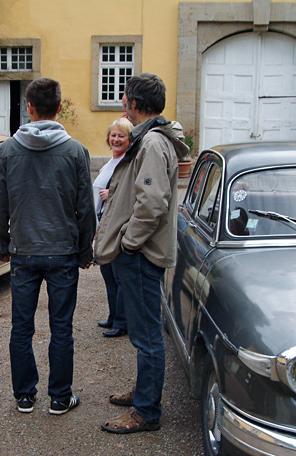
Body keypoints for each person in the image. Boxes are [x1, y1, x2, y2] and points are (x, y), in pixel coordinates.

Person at [0, 78, 96, 416]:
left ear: (28, 107)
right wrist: (85, 250)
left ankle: (25, 396)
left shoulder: (8, 150)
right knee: (61, 327)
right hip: (62, 251)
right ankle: (60, 397)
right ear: (59, 108)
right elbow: (85, 207)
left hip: (24, 251)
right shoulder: (75, 151)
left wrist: (0, 244)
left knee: (22, 326)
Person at [94, 73, 189, 433]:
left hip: (141, 254)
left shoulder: (151, 142)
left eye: (124, 101)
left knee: (147, 335)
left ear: (133, 103)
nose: (123, 106)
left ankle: (146, 411)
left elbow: (151, 204)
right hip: (141, 252)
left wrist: (129, 243)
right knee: (142, 331)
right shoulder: (151, 139)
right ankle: (143, 393)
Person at [93, 117, 133, 338]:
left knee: (119, 276)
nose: (116, 139)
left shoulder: (128, 163)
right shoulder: (112, 161)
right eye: (113, 135)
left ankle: (122, 322)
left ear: (130, 140)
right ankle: (113, 316)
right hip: (104, 226)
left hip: (116, 227)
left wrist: (114, 193)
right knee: (108, 274)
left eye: (121, 136)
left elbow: (134, 192)